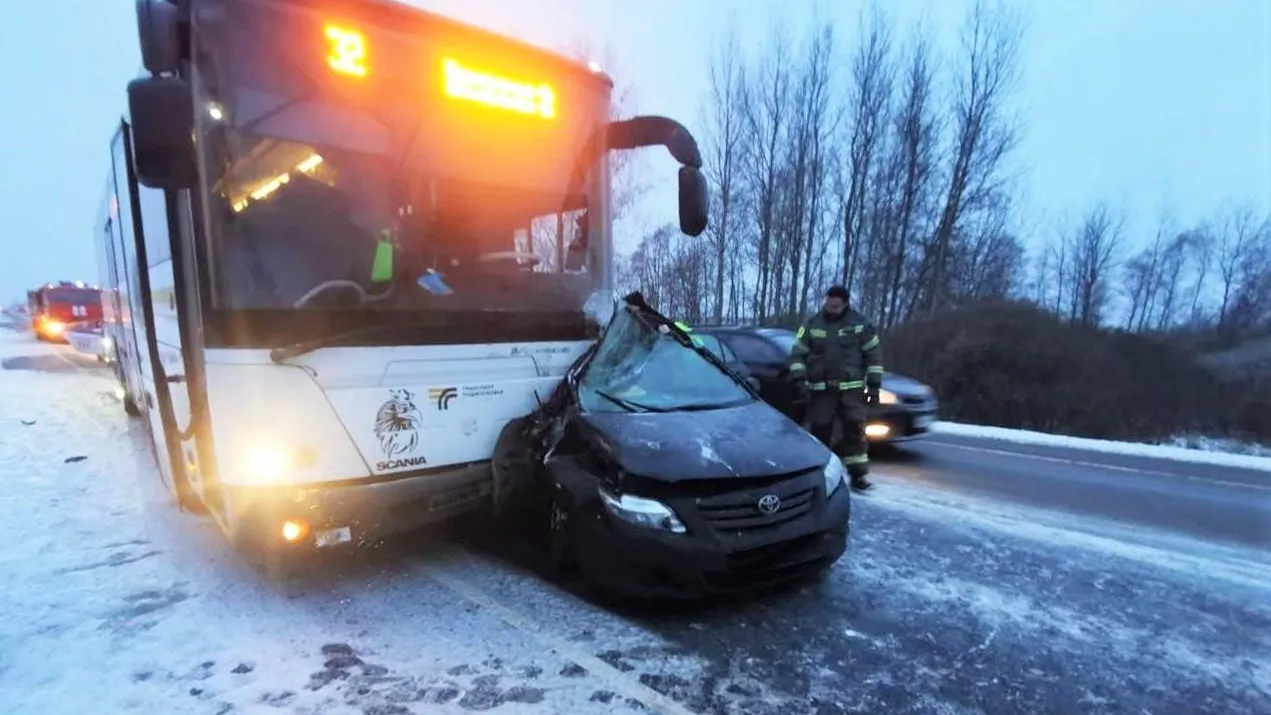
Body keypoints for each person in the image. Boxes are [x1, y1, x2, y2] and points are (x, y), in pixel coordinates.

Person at [787, 285, 884, 492]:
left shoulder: (860, 324)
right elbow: (797, 354)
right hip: (821, 392)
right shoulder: (812, 324)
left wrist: (874, 385)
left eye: (836, 306)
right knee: (820, 433)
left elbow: (873, 355)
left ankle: (858, 476)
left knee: (855, 432)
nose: (831, 308)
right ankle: (819, 475)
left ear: (845, 304)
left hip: (851, 392)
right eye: (828, 304)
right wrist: (799, 379)